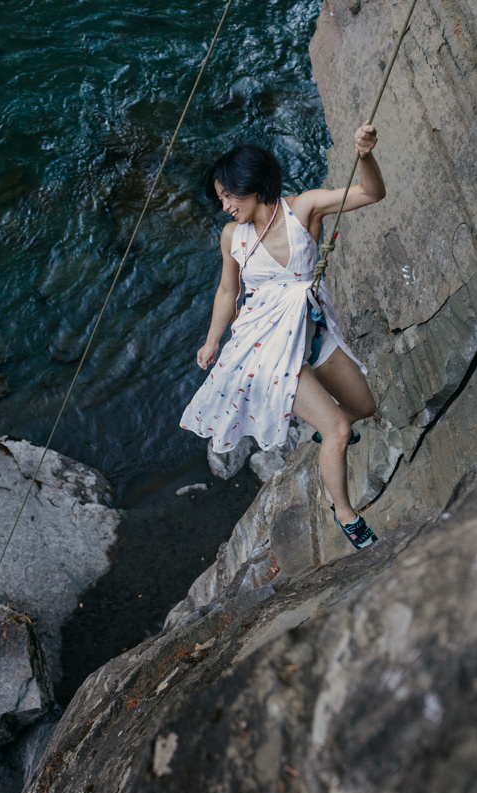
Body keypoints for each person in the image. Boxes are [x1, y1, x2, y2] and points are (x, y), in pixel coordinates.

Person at [180, 124, 386, 550]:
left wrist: (365, 156)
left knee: (363, 407)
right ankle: (346, 516)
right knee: (338, 430)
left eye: (228, 195)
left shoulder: (302, 209)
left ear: (253, 184)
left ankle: (328, 434)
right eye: (220, 198)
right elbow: (227, 291)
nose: (224, 206)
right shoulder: (232, 237)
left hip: (312, 330)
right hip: (267, 350)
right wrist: (212, 340)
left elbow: (371, 193)